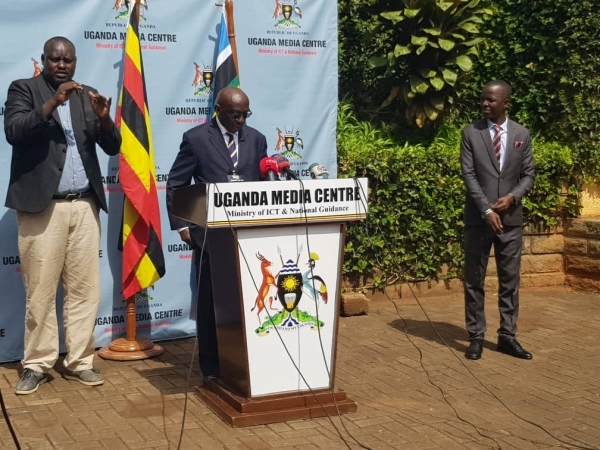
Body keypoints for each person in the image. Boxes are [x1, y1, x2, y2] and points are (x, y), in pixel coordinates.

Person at [4, 36, 121, 394]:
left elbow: (112, 146)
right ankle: (37, 364)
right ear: (43, 61)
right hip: (44, 206)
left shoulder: (88, 95)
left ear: (75, 62)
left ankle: (80, 361)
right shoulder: (24, 88)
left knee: (85, 290)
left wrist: (103, 119)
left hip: (84, 205)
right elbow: (15, 131)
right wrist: (54, 102)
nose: (62, 64)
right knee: (39, 290)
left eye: (68, 59)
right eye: (55, 59)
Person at [166, 87, 268, 379]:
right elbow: (176, 183)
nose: (240, 121)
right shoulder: (197, 139)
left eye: (245, 115)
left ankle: (247, 360)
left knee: (248, 299)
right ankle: (211, 366)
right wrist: (183, 225)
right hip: (211, 236)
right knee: (211, 302)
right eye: (235, 115)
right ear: (219, 111)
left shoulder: (257, 139)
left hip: (249, 234)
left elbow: (263, 183)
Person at [460, 80, 535, 361]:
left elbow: (528, 174)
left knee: (510, 281)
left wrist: (513, 198)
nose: (485, 104)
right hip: (480, 221)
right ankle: (476, 337)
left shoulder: (521, 134)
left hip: (511, 220)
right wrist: (487, 210)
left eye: (491, 100)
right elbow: (469, 175)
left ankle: (507, 337)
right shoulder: (471, 133)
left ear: (506, 103)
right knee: (474, 280)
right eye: (483, 99)